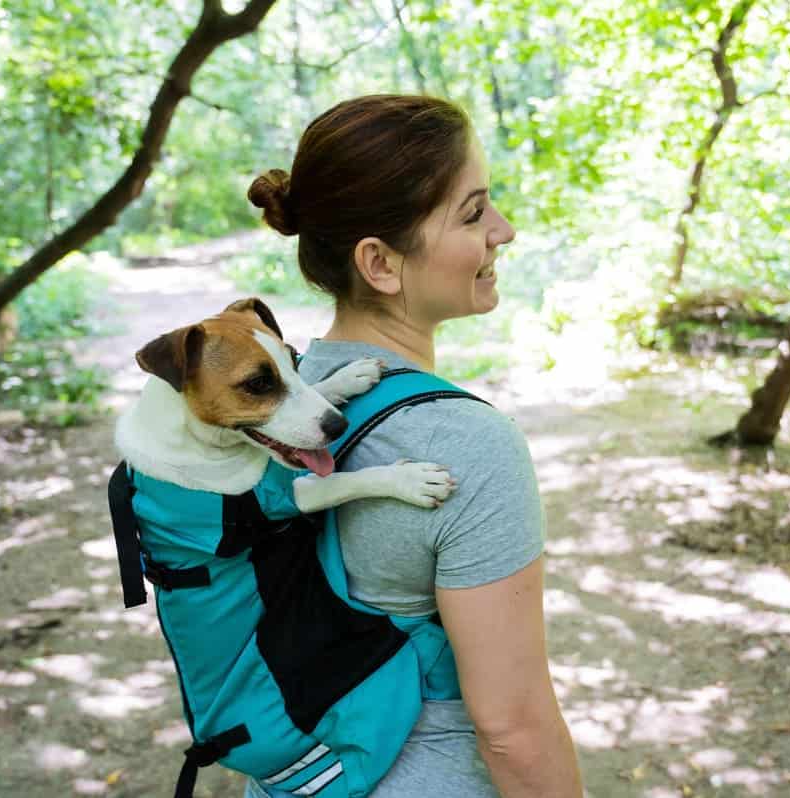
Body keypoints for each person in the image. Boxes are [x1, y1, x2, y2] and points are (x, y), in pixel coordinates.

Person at [245, 95, 584, 798]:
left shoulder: (262, 406)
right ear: (380, 263)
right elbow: (512, 726)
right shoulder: (464, 443)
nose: (504, 230)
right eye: (472, 213)